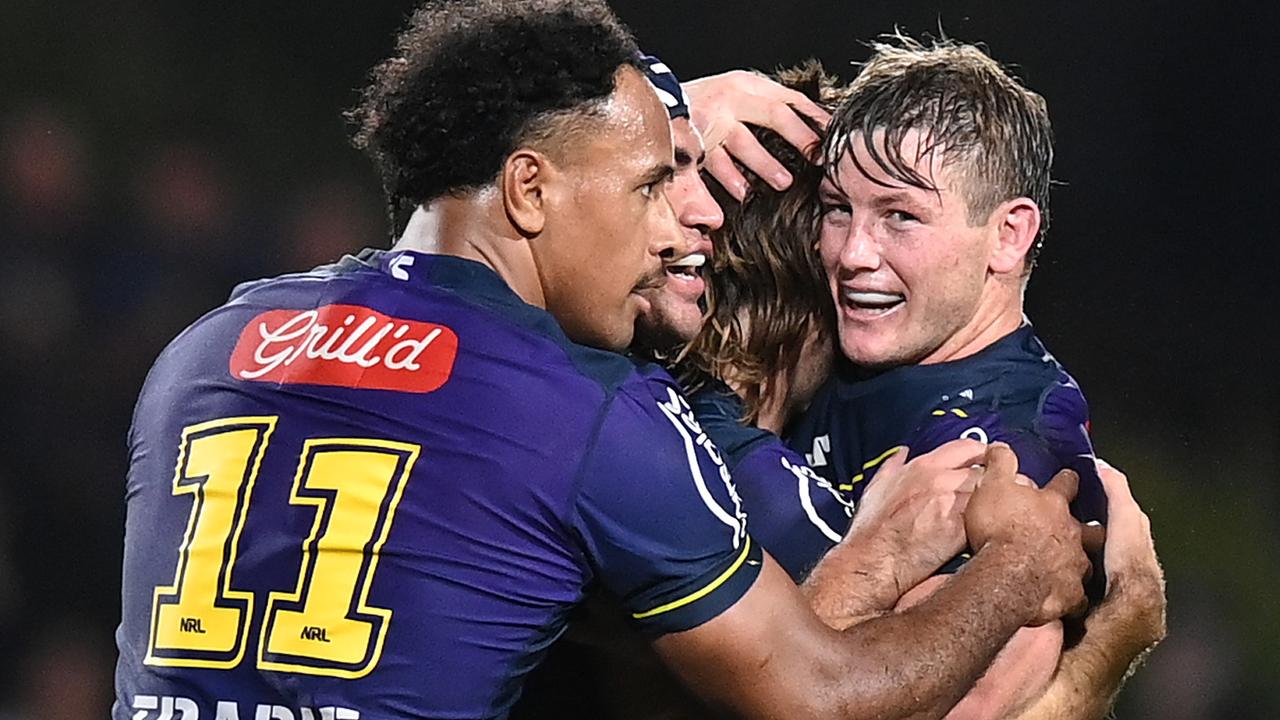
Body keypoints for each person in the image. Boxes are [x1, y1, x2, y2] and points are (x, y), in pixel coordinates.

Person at [113, 4, 1092, 719]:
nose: (674, 231)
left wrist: (644, 118)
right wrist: (1016, 568)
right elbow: (820, 698)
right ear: (529, 190)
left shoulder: (208, 347)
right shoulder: (586, 410)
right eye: (650, 189)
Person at [780, 37, 1160, 716]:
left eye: (900, 216)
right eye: (838, 208)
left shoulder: (1014, 456)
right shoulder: (815, 342)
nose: (851, 253)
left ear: (1009, 235)